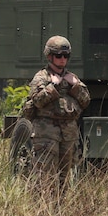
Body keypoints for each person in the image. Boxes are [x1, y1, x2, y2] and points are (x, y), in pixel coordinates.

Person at [22, 35, 90, 194]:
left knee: (64, 176)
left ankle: (60, 210)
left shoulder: (72, 78)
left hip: (68, 132)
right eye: (58, 56)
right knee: (45, 175)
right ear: (49, 56)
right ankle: (44, 212)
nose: (62, 59)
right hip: (46, 131)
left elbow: (86, 101)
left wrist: (75, 86)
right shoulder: (42, 77)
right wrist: (53, 86)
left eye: (65, 56)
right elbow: (37, 102)